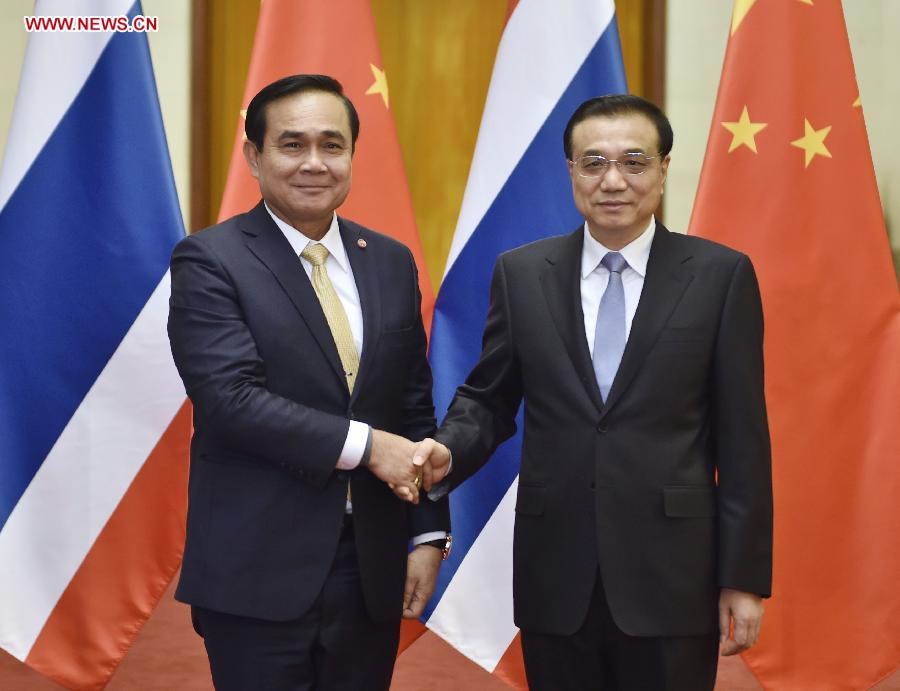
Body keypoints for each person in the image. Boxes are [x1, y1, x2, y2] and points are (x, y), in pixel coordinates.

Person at [416, 94, 772, 690]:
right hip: (556, 572)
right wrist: (449, 448)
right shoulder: (523, 273)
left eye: (634, 162)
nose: (613, 180)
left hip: (674, 575)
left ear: (662, 169)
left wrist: (743, 578)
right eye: (593, 162)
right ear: (571, 172)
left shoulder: (719, 275)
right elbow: (489, 398)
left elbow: (743, 440)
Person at [167, 74, 450, 690]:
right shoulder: (211, 260)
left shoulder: (392, 260)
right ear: (254, 156)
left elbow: (411, 403)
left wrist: (428, 530)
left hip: (370, 567)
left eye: (332, 144)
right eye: (292, 145)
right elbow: (230, 401)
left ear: (353, 154)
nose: (314, 163)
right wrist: (371, 448)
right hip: (257, 568)